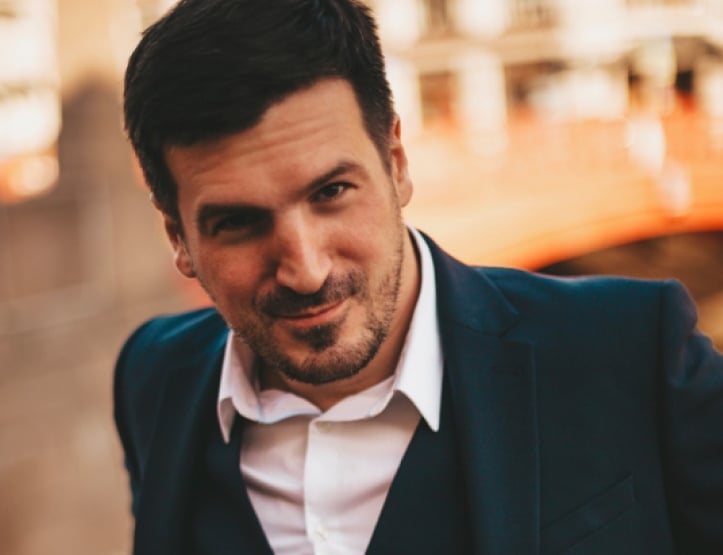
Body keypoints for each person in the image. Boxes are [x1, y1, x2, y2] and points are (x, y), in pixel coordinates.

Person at [114, 0, 723, 553]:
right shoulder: (153, 376)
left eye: (332, 192)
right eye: (238, 223)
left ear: (397, 162)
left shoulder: (632, 349)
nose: (305, 270)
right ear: (178, 238)